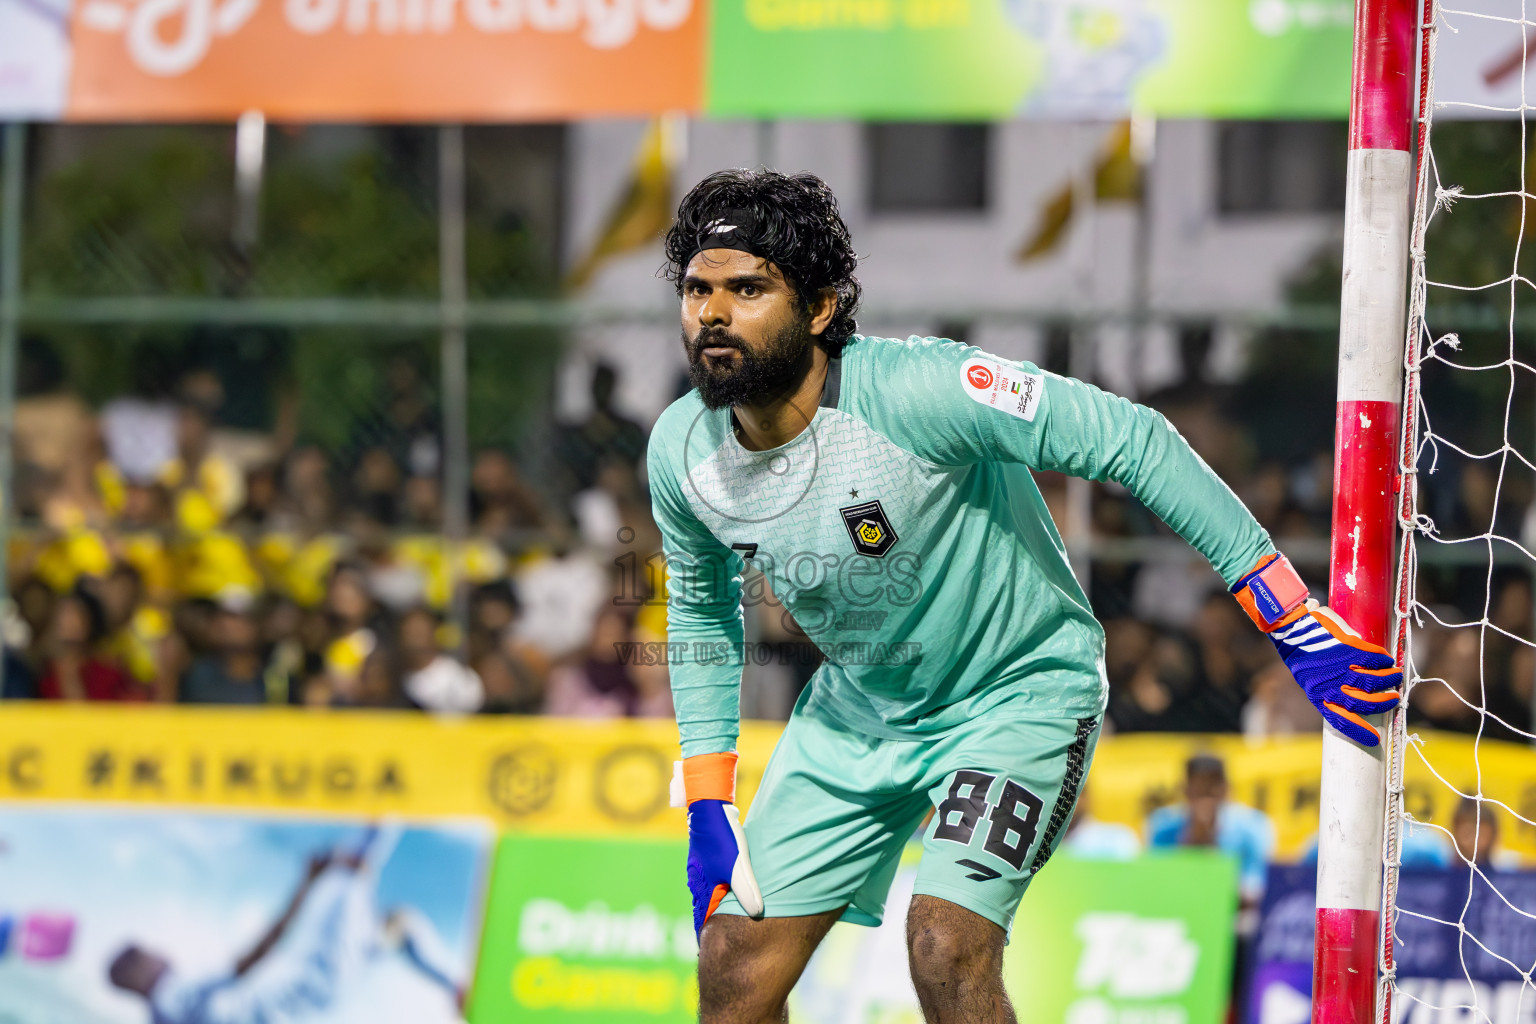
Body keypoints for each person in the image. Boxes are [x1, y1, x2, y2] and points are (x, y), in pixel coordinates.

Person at [646, 169, 1404, 1024]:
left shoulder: (924, 391)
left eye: (747, 288)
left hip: (1019, 696)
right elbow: (701, 606)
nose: (712, 313)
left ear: (819, 309)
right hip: (860, 711)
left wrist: (1287, 614)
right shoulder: (681, 450)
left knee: (944, 946)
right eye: (697, 289)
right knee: (733, 969)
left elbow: (1136, 439)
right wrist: (707, 794)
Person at [107, 827, 463, 1023]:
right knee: (351, 868)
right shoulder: (173, 994)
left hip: (317, 1004)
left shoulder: (160, 1017)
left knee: (398, 925)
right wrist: (305, 887)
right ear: (137, 972)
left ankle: (459, 989)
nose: (160, 953)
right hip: (313, 984)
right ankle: (461, 991)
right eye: (149, 954)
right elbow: (251, 960)